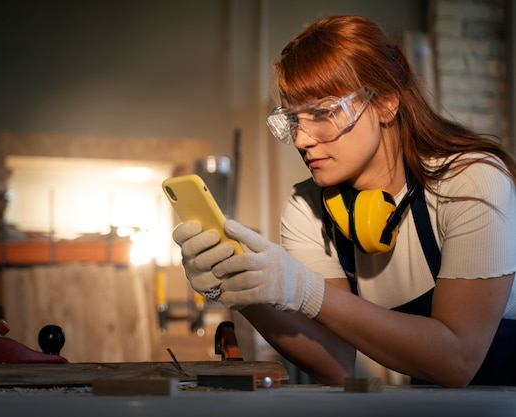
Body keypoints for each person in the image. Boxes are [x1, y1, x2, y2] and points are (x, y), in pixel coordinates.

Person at [172, 15, 516, 388]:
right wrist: (245, 289)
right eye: (293, 119)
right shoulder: (308, 208)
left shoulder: (470, 179)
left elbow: (458, 360)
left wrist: (306, 290)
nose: (302, 140)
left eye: (322, 112)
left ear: (386, 103)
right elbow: (335, 364)